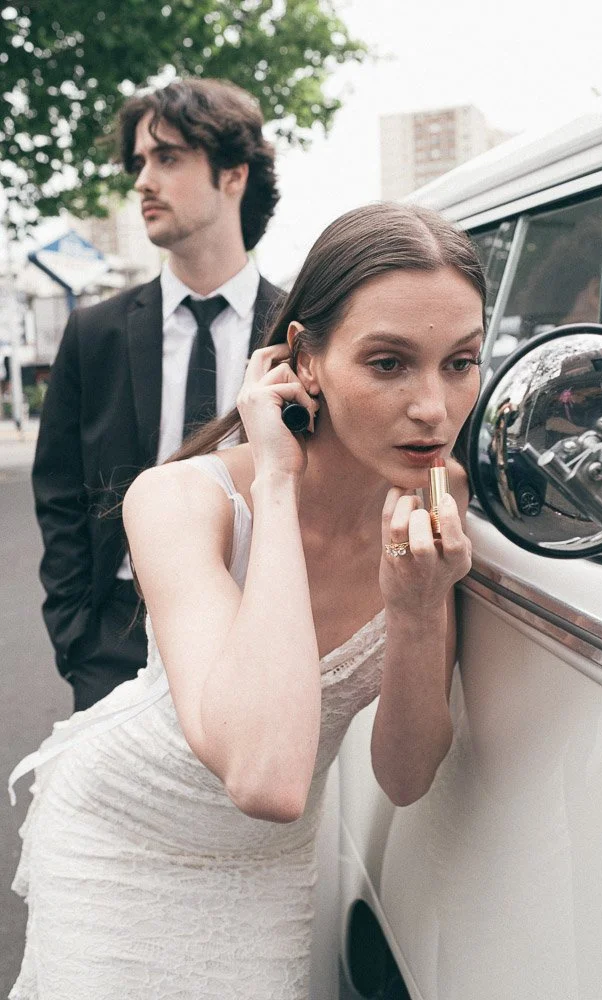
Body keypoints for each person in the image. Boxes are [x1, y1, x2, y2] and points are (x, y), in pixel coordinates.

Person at [10, 202, 486, 1000]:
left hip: (263, 869)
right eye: (388, 363)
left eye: (459, 361)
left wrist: (414, 611)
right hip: (119, 834)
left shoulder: (441, 498)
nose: (433, 407)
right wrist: (273, 477)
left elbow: (404, 778)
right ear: (303, 360)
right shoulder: (177, 501)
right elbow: (266, 777)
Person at [32, 77, 284, 712]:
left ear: (233, 174)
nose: (143, 180)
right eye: (139, 162)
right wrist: (76, 637)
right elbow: (59, 490)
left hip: (255, 622)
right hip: (113, 637)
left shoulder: (299, 331)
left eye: (167, 157)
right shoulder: (95, 333)